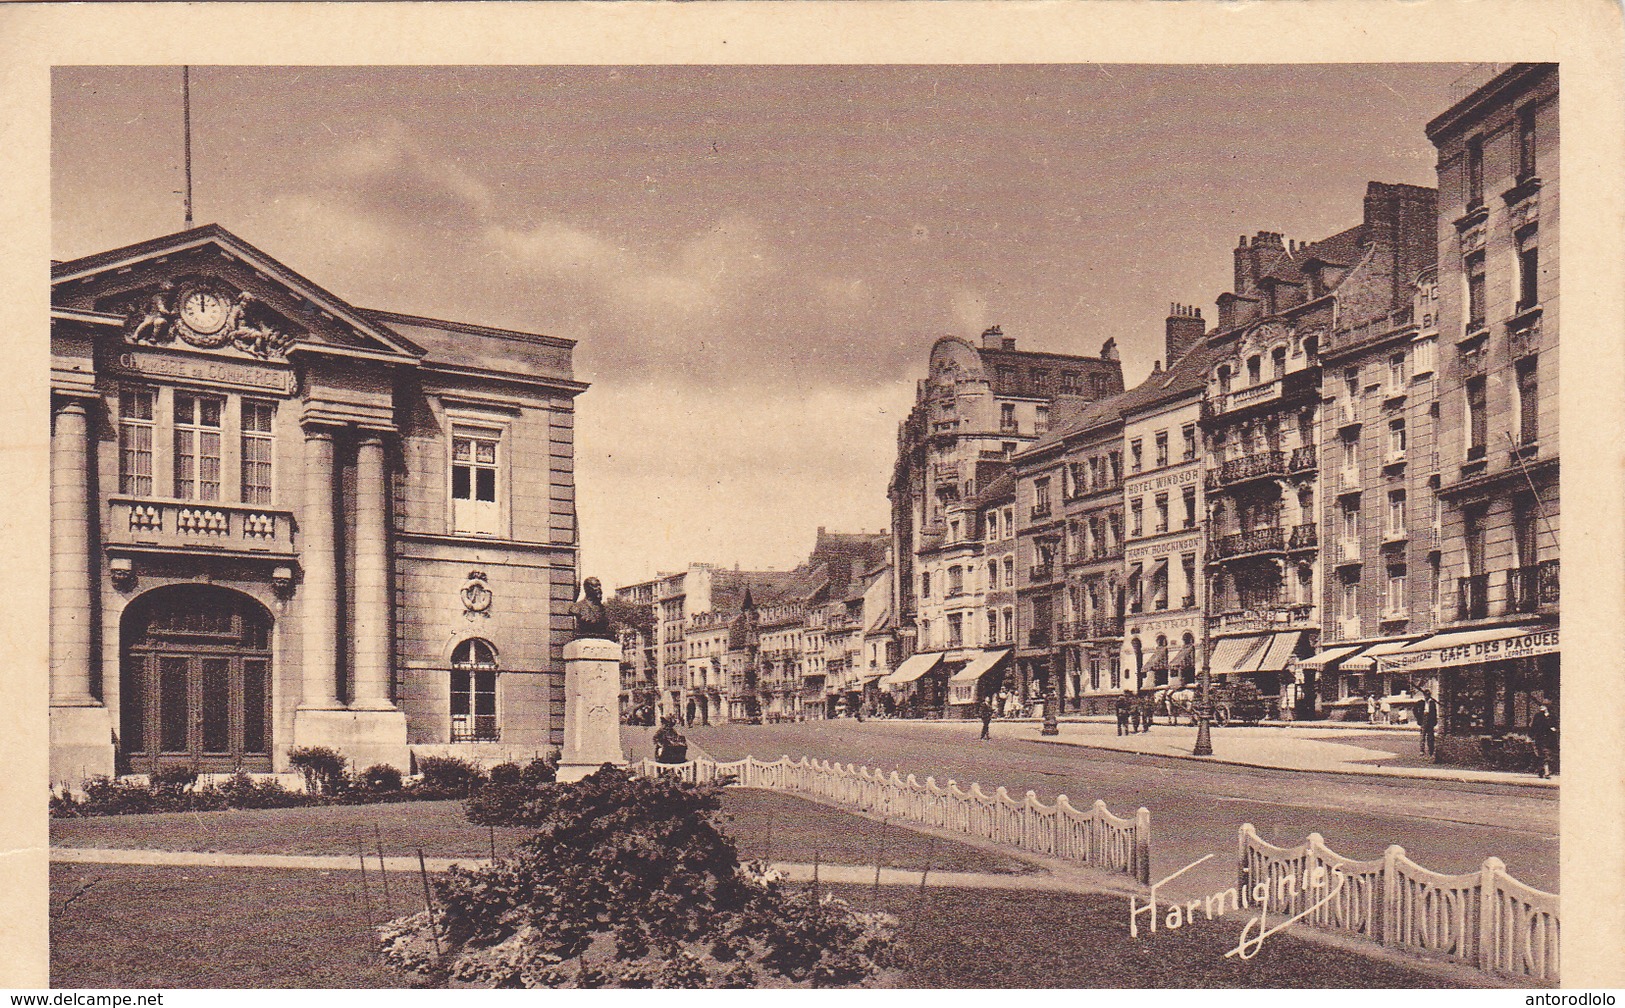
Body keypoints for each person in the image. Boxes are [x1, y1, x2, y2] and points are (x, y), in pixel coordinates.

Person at [1530, 699, 1558, 778]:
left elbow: (1555, 725)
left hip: (1550, 738)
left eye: (1543, 706)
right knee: (1543, 754)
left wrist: (1554, 729)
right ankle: (1546, 772)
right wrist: (1531, 736)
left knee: (1548, 755)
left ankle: (1543, 770)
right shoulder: (1538, 716)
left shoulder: (1552, 716)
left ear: (1547, 707)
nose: (1541, 707)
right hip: (1540, 737)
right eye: (1541, 705)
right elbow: (1534, 726)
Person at [1417, 689, 1439, 757]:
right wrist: (1418, 717)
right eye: (1426, 695)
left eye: (1428, 695)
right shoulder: (1421, 702)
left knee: (1430, 736)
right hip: (1423, 718)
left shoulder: (1432, 703)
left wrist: (1434, 721)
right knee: (1422, 736)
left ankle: (1431, 751)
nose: (1427, 696)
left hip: (1430, 720)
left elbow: (1434, 712)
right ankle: (1422, 751)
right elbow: (1415, 709)